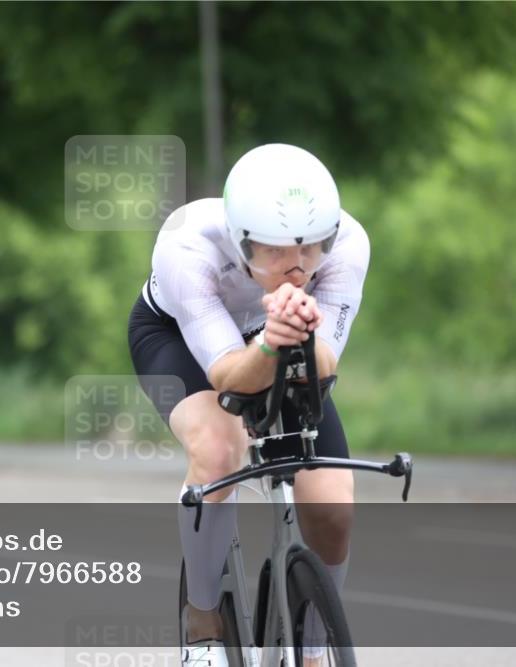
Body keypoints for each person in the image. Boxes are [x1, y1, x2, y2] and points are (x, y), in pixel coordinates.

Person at [127, 144, 369, 666]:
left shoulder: (348, 243)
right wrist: (273, 342)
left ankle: (312, 646)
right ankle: (203, 623)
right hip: (180, 339)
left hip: (276, 337)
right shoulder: (187, 244)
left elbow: (325, 362)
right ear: (240, 240)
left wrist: (294, 336)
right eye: (273, 251)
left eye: (310, 250)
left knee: (331, 499)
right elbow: (228, 377)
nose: (295, 268)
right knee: (220, 450)